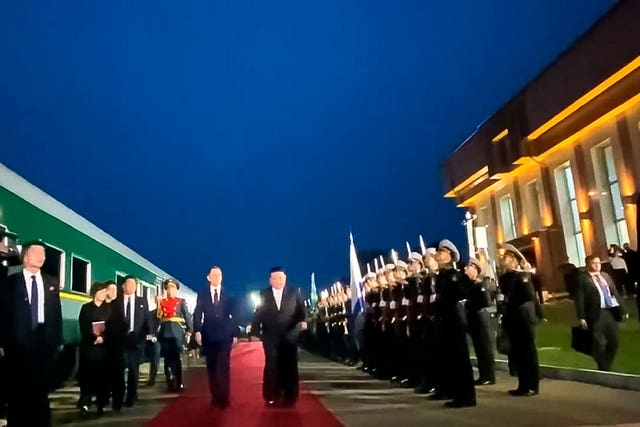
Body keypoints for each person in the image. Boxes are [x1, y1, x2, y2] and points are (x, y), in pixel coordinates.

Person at [0, 240, 62, 426]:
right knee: (17, 392)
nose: (42, 257)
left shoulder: (51, 282)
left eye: (43, 254)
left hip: (44, 344)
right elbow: (3, 314)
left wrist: (57, 341)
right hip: (17, 346)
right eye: (37, 253)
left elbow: (56, 314)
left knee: (41, 392)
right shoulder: (10, 283)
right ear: (25, 256)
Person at [250, 267, 306, 408]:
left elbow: (301, 312)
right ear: (270, 280)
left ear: (285, 278)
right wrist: (255, 332)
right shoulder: (264, 294)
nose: (278, 280)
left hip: (290, 335)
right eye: (274, 278)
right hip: (270, 337)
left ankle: (290, 395)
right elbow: (258, 314)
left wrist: (303, 322)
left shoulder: (295, 292)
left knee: (290, 365)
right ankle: (271, 395)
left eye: (280, 278)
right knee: (272, 365)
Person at [498, 244, 543, 397]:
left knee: (528, 351)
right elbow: (502, 295)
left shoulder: (523, 276)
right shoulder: (504, 278)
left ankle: (532, 385)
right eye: (506, 259)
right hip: (511, 317)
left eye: (510, 259)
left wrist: (539, 313)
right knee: (517, 352)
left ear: (517, 261)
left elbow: (531, 297)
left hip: (523, 316)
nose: (507, 261)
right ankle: (522, 384)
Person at [193, 267, 239, 409]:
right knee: (212, 367)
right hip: (208, 335)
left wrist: (236, 333)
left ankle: (224, 398)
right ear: (208, 277)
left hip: (225, 336)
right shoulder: (202, 294)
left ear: (222, 277)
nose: (216, 277)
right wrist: (197, 331)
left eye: (219, 274)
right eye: (213, 275)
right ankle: (215, 396)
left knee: (224, 367)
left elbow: (235, 315)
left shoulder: (229, 294)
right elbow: (197, 313)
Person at [106, 275, 153, 410]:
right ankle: (118, 399)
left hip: (137, 340)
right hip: (120, 341)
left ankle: (131, 397)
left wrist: (149, 334)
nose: (131, 287)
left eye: (134, 285)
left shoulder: (142, 301)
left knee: (133, 371)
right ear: (123, 286)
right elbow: (111, 322)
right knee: (119, 370)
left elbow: (147, 319)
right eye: (129, 284)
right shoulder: (116, 302)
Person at [574, 255, 624, 371]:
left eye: (599, 262)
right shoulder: (583, 279)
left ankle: (605, 365)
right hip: (594, 314)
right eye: (594, 263)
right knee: (598, 343)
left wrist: (622, 309)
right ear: (588, 265)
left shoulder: (605, 276)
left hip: (609, 312)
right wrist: (581, 316)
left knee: (614, 342)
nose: (597, 265)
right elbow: (579, 298)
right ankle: (604, 368)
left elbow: (614, 292)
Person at [77, 281, 111, 415]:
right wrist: (94, 337)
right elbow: (83, 325)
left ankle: (101, 404)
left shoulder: (109, 309)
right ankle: (85, 402)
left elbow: (112, 326)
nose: (103, 294)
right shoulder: (86, 308)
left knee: (102, 376)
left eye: (104, 292)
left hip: (104, 348)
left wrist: (103, 337)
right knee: (87, 376)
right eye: (101, 292)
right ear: (95, 293)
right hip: (89, 347)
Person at [157, 278, 192, 392]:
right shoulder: (161, 302)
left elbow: (187, 316)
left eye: (172, 288)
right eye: (168, 288)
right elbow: (158, 317)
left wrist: (189, 330)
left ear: (176, 290)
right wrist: (157, 303)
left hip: (177, 332)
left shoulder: (180, 301)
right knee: (167, 359)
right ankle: (170, 383)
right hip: (165, 332)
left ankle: (179, 382)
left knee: (176, 359)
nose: (170, 290)